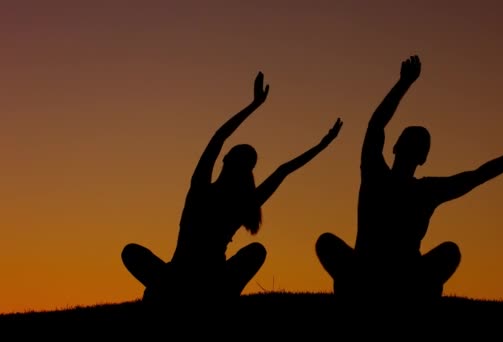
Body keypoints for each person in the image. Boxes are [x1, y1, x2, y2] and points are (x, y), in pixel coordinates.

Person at [315, 55, 503, 310]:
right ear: (411, 153)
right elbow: (376, 125)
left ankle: (373, 293)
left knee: (449, 251)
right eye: (410, 141)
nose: (409, 147)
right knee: (326, 241)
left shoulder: (414, 186)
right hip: (371, 272)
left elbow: (479, 175)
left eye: (415, 144)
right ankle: (379, 293)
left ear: (412, 153)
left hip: (396, 276)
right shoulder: (384, 176)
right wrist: (403, 83)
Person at [122, 71, 343, 311]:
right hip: (197, 277)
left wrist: (255, 106)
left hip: (193, 277)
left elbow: (222, 139)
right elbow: (283, 169)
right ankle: (206, 295)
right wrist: (321, 144)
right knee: (133, 252)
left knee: (133, 253)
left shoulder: (209, 192)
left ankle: (175, 293)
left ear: (226, 159)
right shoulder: (228, 197)